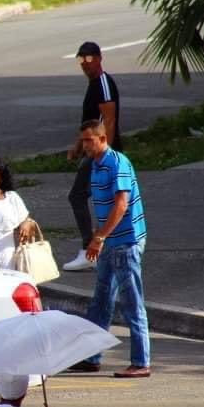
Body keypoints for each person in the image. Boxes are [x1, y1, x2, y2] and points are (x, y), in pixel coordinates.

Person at [67, 120, 150, 378]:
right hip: (108, 243)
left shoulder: (118, 163)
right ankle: (92, 356)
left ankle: (141, 361)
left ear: (102, 139)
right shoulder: (94, 165)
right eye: (83, 140)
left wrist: (99, 237)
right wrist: (99, 237)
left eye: (89, 140)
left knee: (132, 302)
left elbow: (121, 205)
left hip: (126, 243)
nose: (84, 145)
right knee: (101, 301)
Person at [64, 41, 123, 272]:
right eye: (81, 60)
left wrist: (103, 154)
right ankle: (103, 250)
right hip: (94, 152)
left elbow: (108, 120)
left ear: (99, 58)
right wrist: (77, 145)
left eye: (89, 59)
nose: (85, 65)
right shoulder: (93, 84)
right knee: (104, 200)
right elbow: (90, 122)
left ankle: (90, 250)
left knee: (79, 196)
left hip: (102, 153)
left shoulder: (103, 83)